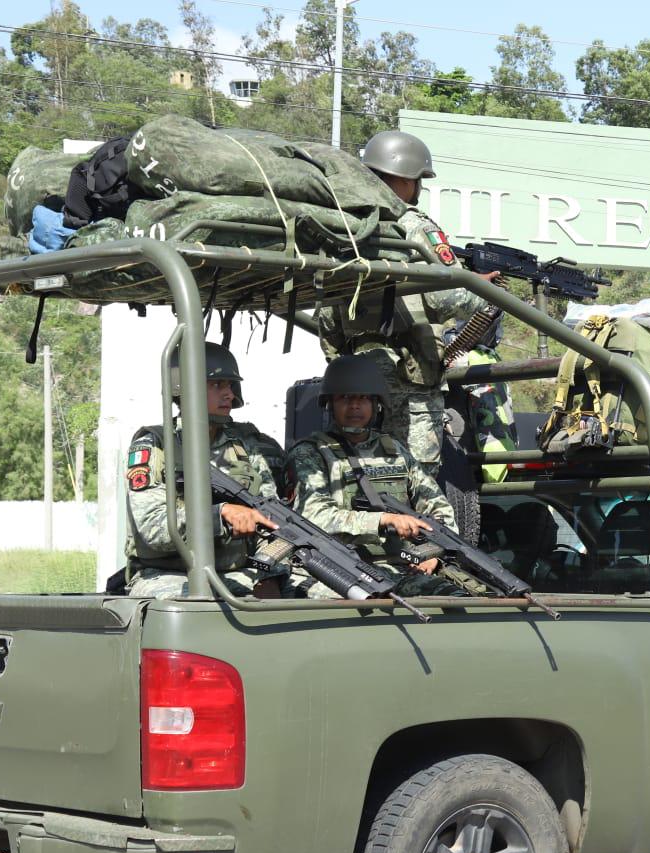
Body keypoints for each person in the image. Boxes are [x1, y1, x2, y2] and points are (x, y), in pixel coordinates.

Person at [319, 130, 497, 485]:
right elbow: (446, 297)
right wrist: (484, 291)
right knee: (416, 484)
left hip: (355, 383)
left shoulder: (342, 227)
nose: (418, 188)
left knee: (358, 477)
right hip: (409, 386)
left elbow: (327, 317)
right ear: (402, 178)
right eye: (417, 180)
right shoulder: (412, 225)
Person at [286, 354, 459, 599]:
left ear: (376, 404)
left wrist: (432, 551)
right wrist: (382, 520)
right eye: (345, 398)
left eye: (363, 399)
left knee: (455, 598)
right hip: (337, 568)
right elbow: (314, 515)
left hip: (399, 568)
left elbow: (438, 506)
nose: (355, 406)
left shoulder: (395, 451)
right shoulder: (311, 453)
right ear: (330, 404)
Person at [123, 344, 286, 598]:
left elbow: (271, 515)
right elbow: (152, 527)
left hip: (237, 570)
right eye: (217, 385)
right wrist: (220, 515)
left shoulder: (247, 444)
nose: (229, 395)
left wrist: (270, 572)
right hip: (167, 574)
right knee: (194, 608)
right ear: (186, 387)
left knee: (293, 598)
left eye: (231, 386)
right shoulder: (155, 444)